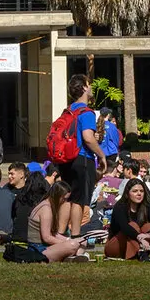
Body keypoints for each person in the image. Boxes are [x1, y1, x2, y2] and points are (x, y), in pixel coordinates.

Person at [49, 75, 106, 209]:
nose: (91, 87)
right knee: (80, 202)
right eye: (89, 84)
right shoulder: (86, 112)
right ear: (84, 88)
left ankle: (63, 229)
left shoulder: (68, 111)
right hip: (83, 159)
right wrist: (101, 155)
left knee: (68, 198)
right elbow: (87, 137)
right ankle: (76, 230)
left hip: (66, 159)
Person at [27, 178, 88, 262]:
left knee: (82, 242)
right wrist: (67, 243)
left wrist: (68, 240)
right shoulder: (46, 209)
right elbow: (47, 238)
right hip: (39, 249)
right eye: (64, 199)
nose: (65, 202)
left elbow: (53, 233)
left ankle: (70, 256)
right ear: (57, 196)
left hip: (45, 246)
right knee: (73, 245)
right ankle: (73, 255)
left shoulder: (50, 206)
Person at [104, 179, 150, 259]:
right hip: (116, 247)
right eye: (135, 191)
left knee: (148, 226)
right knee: (132, 225)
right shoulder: (120, 206)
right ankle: (139, 253)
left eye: (141, 191)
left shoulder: (147, 206)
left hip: (138, 243)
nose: (139, 194)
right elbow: (124, 227)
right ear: (128, 193)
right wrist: (139, 238)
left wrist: (148, 234)